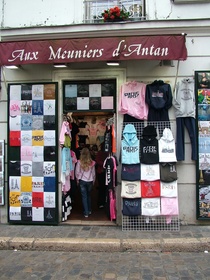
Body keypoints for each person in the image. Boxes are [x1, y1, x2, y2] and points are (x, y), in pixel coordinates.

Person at [75, 147, 96, 218]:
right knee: (89, 195)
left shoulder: (79, 162)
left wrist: (77, 180)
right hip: (90, 180)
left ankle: (86, 212)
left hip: (82, 181)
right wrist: (94, 181)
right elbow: (93, 173)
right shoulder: (92, 163)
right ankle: (89, 210)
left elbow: (77, 172)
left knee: (84, 197)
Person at [95, 142, 109, 208]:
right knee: (102, 188)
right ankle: (101, 202)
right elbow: (97, 161)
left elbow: (97, 161)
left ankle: (102, 202)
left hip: (102, 172)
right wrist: (105, 164)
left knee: (103, 188)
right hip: (102, 172)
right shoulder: (102, 153)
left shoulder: (102, 153)